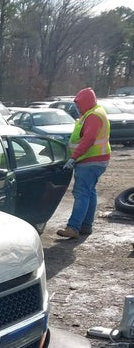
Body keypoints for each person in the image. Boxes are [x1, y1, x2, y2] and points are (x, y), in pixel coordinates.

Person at [56, 87, 111, 238]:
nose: (77, 107)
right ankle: (86, 226)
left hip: (89, 161)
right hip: (97, 160)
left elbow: (88, 139)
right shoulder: (94, 113)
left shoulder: (93, 116)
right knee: (89, 192)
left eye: (79, 104)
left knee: (81, 193)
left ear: (86, 102)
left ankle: (73, 227)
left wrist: (74, 158)